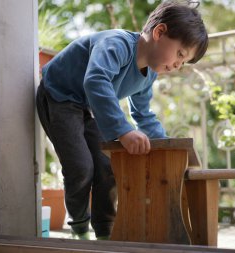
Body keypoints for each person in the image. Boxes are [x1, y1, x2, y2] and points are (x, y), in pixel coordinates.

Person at [36, 0, 208, 240]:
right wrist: (123, 131)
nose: (178, 65)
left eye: (184, 61)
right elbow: (96, 80)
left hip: (87, 106)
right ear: (159, 32)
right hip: (58, 96)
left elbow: (143, 114)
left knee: (107, 168)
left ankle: (105, 231)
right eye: (180, 54)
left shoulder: (148, 76)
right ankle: (79, 228)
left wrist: (166, 146)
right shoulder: (117, 44)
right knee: (81, 167)